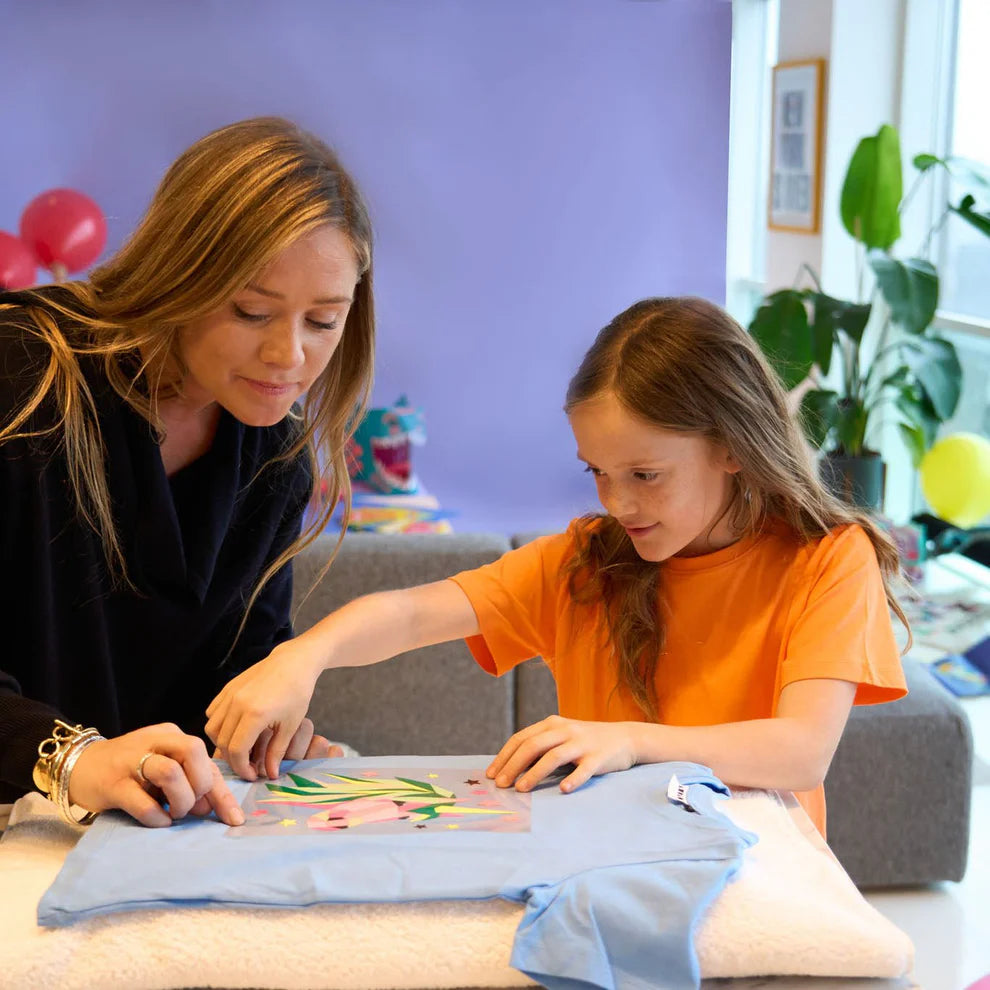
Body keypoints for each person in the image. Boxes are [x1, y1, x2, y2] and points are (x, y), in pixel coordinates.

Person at [206, 296, 908, 837]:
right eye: (597, 472)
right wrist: (303, 657)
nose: (617, 502)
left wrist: (628, 741)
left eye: (644, 473)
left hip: (761, 871)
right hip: (602, 863)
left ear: (733, 447)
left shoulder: (829, 559)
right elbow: (411, 613)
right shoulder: (589, 560)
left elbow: (799, 752)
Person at [0, 117, 375, 829]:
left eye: (323, 322)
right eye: (252, 310)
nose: (288, 356)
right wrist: (72, 759)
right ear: (178, 272)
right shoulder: (22, 377)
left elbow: (234, 676)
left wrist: (260, 727)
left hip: (130, 845)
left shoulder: (277, 454)